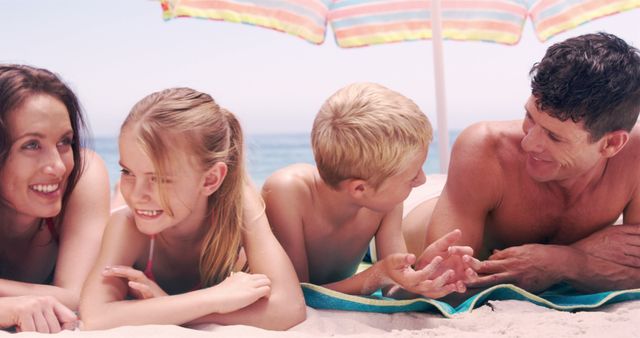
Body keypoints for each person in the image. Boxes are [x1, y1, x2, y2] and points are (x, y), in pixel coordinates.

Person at [403, 32, 640, 293]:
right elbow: (447, 282)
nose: (528, 144)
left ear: (611, 144)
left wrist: (563, 261)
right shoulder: (484, 147)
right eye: (530, 117)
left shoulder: (635, 156)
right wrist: (580, 257)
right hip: (405, 220)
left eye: (553, 136)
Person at [79, 87, 306, 330]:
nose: (136, 193)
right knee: (123, 207)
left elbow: (289, 308)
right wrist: (214, 299)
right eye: (127, 171)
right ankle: (118, 191)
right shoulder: (127, 225)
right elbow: (96, 316)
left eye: (159, 178)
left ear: (210, 180)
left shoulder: (239, 207)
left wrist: (167, 307)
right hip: (148, 215)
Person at [262, 82, 476, 299]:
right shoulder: (287, 192)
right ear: (360, 188)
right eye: (412, 176)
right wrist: (377, 274)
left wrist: (421, 274)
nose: (421, 180)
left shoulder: (385, 203)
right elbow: (295, 294)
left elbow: (393, 289)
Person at [0, 64, 110, 333]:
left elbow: (81, 296)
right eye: (32, 145)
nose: (59, 167)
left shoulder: (83, 175)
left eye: (64, 142)